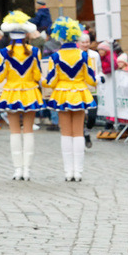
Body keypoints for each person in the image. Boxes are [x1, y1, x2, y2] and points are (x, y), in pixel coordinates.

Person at [0, 12, 44, 177]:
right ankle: (27, 170)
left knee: (14, 131)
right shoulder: (35, 51)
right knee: (28, 130)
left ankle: (17, 170)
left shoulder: (4, 52)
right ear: (25, 34)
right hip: (30, 93)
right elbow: (37, 76)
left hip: (11, 94)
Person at [45, 17, 97, 181]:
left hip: (62, 94)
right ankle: (78, 172)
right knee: (78, 132)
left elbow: (51, 81)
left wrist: (42, 81)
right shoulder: (84, 55)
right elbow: (91, 80)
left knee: (66, 133)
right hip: (79, 93)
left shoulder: (55, 56)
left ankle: (68, 172)